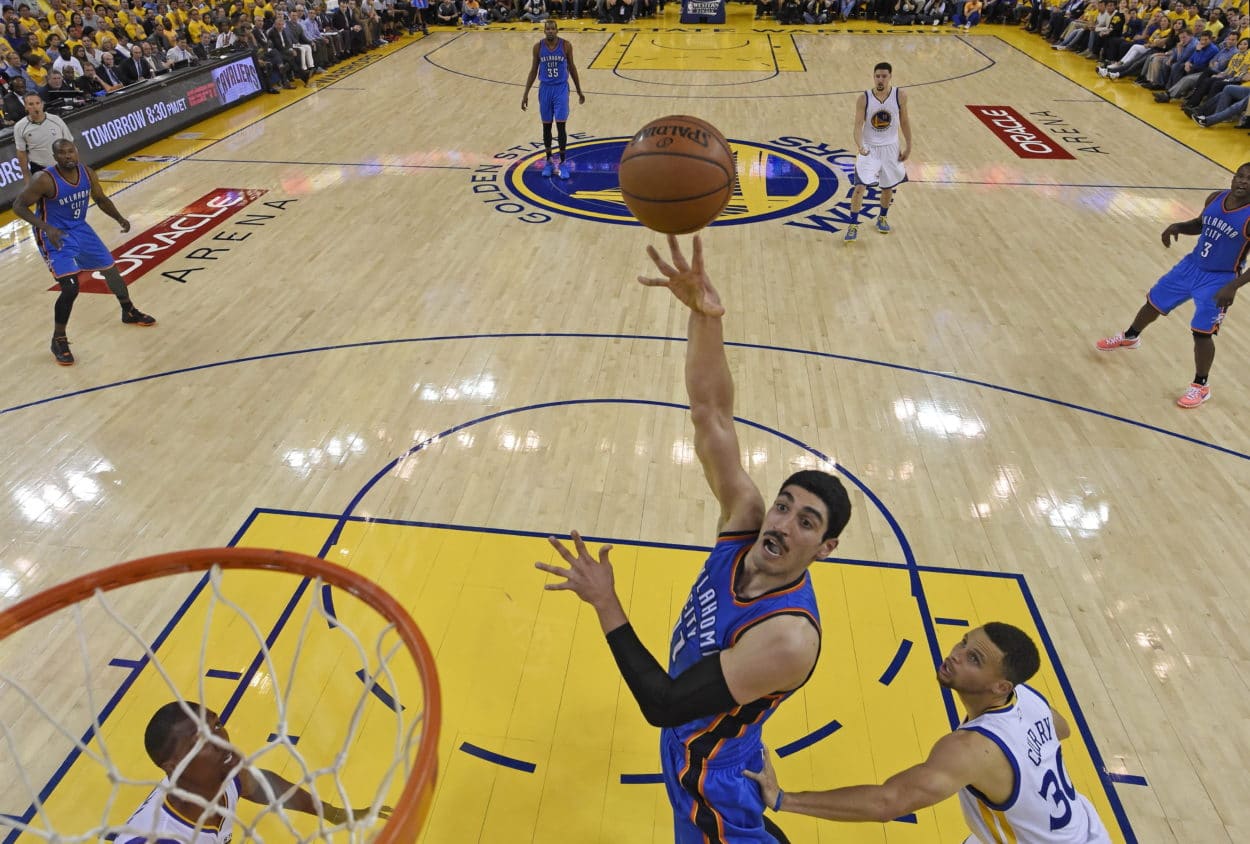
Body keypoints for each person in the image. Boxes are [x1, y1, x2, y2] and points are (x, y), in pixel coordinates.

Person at [534, 235, 852, 844]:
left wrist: (606, 601)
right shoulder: (745, 519)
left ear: (825, 548)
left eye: (805, 522)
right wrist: (704, 318)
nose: (782, 523)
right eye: (784, 506)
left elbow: (665, 701)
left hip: (710, 778)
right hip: (709, 742)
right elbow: (711, 413)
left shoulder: (787, 636)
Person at [743, 624, 1113, 843]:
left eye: (974, 659)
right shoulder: (1026, 698)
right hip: (1084, 829)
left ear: (1000, 686)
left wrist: (783, 799)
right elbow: (1061, 729)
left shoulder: (972, 750)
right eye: (964, 642)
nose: (955, 654)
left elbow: (887, 802)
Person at [1095, 163, 1250, 408]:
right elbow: (1201, 224)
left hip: (1220, 279)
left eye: (1249, 179)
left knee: (1202, 333)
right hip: (1191, 266)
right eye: (1239, 176)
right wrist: (1178, 226)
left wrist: (1234, 286)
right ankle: (1130, 336)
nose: (1242, 181)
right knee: (1154, 302)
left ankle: (1201, 386)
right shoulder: (1216, 197)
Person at [117, 701, 385, 841]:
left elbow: (261, 787)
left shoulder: (223, 774)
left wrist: (332, 813)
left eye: (217, 724)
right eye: (200, 741)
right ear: (173, 767)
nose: (221, 739)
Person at [10, 139, 157, 366]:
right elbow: (19, 205)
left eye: (71, 152)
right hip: (55, 235)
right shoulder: (45, 180)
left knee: (111, 270)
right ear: (55, 157)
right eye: (62, 153)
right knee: (70, 286)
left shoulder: (87, 173)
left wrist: (119, 218)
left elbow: (99, 198)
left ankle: (128, 311)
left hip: (80, 229)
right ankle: (58, 339)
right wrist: (46, 227)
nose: (68, 156)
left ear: (76, 153)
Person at [844, 62, 912, 243]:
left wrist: (909, 146)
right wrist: (860, 145)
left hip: (891, 147)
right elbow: (858, 126)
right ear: (873, 77)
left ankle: (882, 217)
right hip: (870, 148)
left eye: (884, 76)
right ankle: (853, 225)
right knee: (859, 188)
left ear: (890, 77)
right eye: (877, 76)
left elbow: (905, 122)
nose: (880, 79)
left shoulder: (900, 96)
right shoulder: (864, 99)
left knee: (887, 187)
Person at [520, 19, 585, 180]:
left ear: (557, 30)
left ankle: (562, 163)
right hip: (545, 89)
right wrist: (526, 93)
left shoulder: (566, 45)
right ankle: (548, 161)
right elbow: (533, 70)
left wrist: (579, 90)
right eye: (547, 29)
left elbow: (572, 67)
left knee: (561, 126)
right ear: (544, 31)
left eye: (552, 29)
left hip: (561, 89)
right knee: (546, 127)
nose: (550, 31)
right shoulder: (538, 47)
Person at [12, 91, 72, 180]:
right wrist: (27, 179)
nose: (35, 107)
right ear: (25, 107)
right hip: (40, 169)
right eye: (31, 104)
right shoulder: (20, 127)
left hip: (62, 165)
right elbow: (21, 153)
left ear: (42, 104)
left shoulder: (56, 120)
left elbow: (70, 144)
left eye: (37, 103)